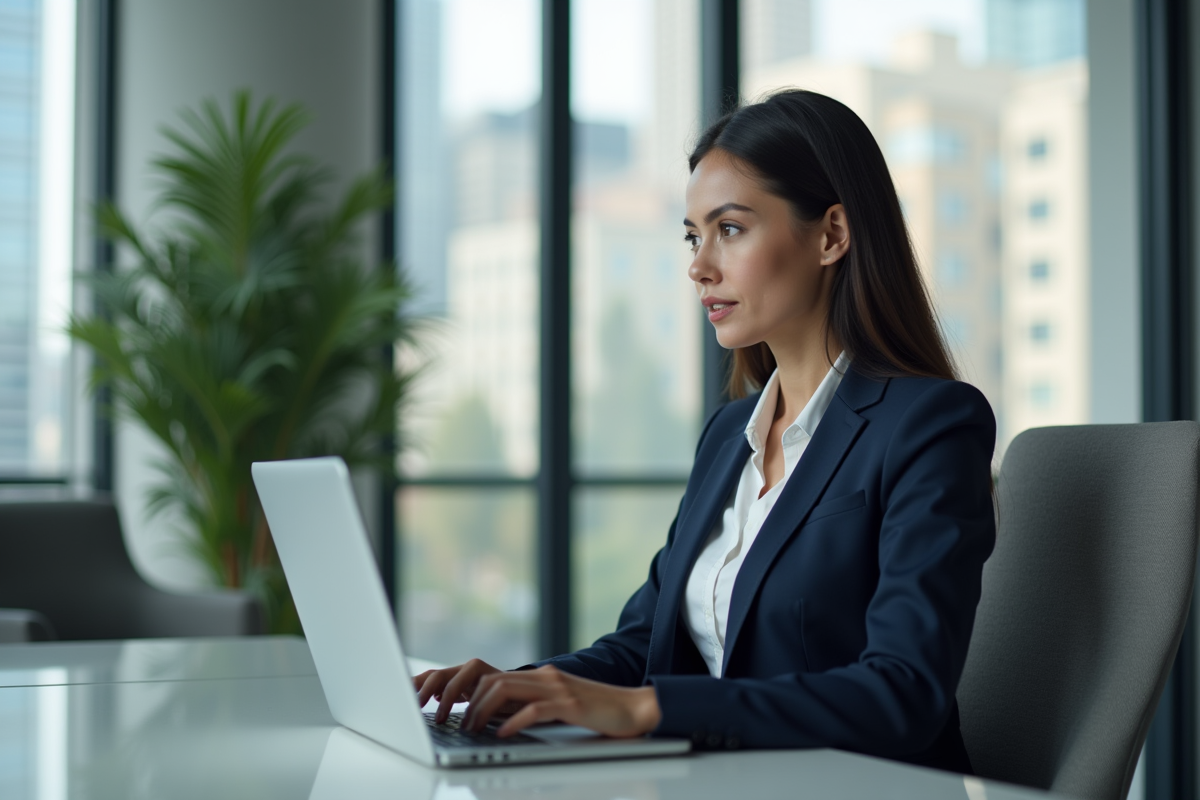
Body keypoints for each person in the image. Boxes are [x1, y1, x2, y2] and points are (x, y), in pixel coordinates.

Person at [413, 89, 996, 774]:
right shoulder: (729, 436)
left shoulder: (929, 424)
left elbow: (903, 693)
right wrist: (522, 689)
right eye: (693, 236)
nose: (699, 266)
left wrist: (649, 709)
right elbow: (643, 646)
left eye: (731, 229)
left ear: (832, 234)